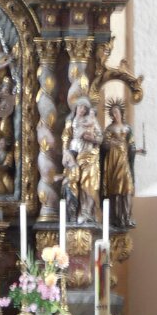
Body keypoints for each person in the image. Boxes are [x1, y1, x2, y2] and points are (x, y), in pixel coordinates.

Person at [61, 96, 103, 224]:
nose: (82, 110)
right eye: (80, 107)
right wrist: (65, 153)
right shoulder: (70, 122)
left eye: (85, 108)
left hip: (90, 155)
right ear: (76, 108)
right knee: (75, 184)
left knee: (89, 184)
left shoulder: (91, 121)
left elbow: (100, 138)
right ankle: (76, 213)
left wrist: (92, 139)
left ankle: (87, 212)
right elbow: (65, 138)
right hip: (75, 157)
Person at [101, 100, 136, 229]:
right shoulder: (109, 129)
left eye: (116, 112)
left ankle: (126, 216)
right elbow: (104, 145)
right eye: (112, 113)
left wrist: (134, 150)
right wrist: (112, 144)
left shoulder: (127, 128)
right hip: (113, 160)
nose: (115, 114)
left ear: (121, 112)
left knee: (127, 188)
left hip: (124, 160)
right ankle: (116, 218)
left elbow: (131, 144)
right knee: (115, 188)